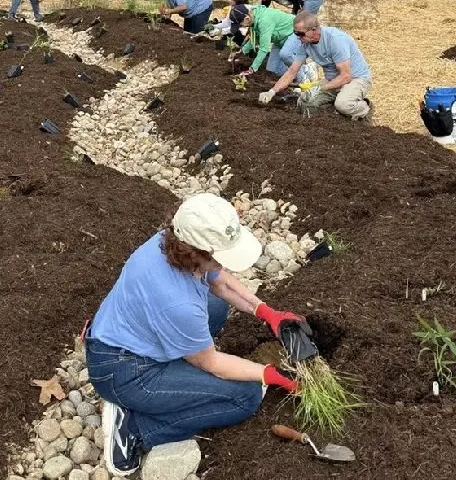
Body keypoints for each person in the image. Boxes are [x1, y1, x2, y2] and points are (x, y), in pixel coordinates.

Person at [86, 193, 306, 477]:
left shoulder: (170, 242)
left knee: (214, 306)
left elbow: (220, 282)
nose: (223, 263)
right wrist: (270, 374)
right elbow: (211, 363)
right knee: (246, 397)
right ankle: (134, 430)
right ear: (198, 253)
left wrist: (267, 313)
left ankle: (175, 377)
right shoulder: (179, 304)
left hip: (123, 337)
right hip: (123, 371)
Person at [259, 11, 372, 121]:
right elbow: (292, 71)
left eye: (300, 34)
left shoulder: (335, 40)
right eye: (295, 33)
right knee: (305, 101)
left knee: (343, 104)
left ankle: (364, 108)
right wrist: (272, 92)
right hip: (333, 80)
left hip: (356, 78)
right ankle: (337, 108)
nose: (298, 37)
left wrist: (319, 89)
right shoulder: (305, 44)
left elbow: (346, 76)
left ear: (313, 30)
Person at [231, 4, 311, 83]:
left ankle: (304, 73)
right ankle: (294, 72)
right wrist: (241, 52)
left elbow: (264, 49)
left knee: (285, 54)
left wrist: (252, 69)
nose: (241, 26)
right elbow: (254, 39)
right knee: (272, 71)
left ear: (247, 18)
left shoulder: (264, 21)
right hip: (279, 40)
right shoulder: (254, 19)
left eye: (240, 24)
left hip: (293, 33)